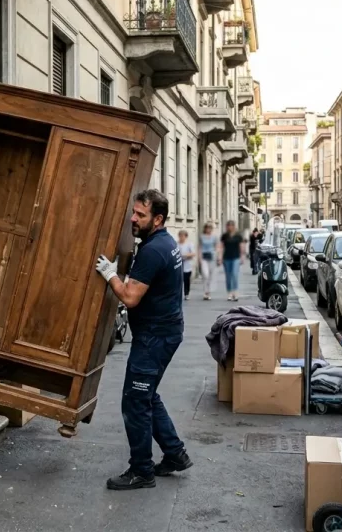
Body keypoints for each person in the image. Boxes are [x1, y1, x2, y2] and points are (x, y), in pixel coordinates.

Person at [95, 189, 191, 491]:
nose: (133, 219)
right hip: (163, 333)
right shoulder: (162, 241)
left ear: (158, 219)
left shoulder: (153, 251)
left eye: (141, 215)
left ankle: (141, 471)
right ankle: (175, 454)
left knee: (135, 402)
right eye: (134, 212)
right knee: (147, 396)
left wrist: (110, 275)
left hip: (155, 338)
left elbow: (131, 297)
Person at [217, 221, 246, 301]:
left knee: (234, 274)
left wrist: (242, 257)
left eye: (231, 226)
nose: (229, 227)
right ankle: (229, 292)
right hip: (226, 258)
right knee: (228, 276)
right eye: (228, 226)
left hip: (236, 258)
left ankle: (235, 292)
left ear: (233, 226)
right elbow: (221, 247)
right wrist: (220, 258)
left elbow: (241, 247)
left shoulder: (238, 236)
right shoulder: (224, 236)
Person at [198, 223, 218, 300]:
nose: (208, 230)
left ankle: (208, 292)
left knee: (210, 276)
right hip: (204, 257)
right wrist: (199, 258)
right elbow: (199, 247)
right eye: (207, 228)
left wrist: (218, 256)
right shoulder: (202, 237)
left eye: (210, 228)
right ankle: (205, 292)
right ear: (205, 229)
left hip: (212, 257)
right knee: (205, 275)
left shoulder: (214, 237)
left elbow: (216, 247)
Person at [177, 230, 195, 300]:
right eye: (180, 236)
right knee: (179, 280)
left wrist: (185, 255)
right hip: (179, 265)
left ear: (186, 236)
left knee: (186, 280)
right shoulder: (176, 244)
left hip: (187, 265)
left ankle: (186, 293)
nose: (181, 237)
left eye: (183, 236)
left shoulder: (189, 244)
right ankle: (179, 294)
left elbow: (193, 253)